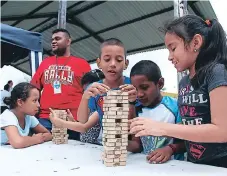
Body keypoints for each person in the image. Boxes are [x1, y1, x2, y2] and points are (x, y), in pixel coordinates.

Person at [130, 15, 227, 168]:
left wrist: (162, 128)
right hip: (194, 164)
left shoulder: (216, 72)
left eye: (173, 48)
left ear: (196, 42)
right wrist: (172, 147)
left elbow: (222, 131)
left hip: (220, 165)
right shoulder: (184, 83)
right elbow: (188, 125)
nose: (169, 57)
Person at [31, 28, 91, 140]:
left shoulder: (82, 64)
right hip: (47, 118)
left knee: (73, 152)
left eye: (58, 38)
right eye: (52, 39)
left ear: (68, 41)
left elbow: (89, 92)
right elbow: (34, 89)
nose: (53, 41)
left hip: (73, 119)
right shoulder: (45, 63)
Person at [127, 60, 185, 163]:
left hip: (173, 167)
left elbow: (187, 142)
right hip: (146, 166)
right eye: (135, 89)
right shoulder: (136, 109)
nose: (139, 94)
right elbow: (137, 146)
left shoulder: (176, 107)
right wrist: (119, 143)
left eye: (144, 87)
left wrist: (170, 149)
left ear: (160, 83)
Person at [49, 69, 105, 144]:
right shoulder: (89, 107)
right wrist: (73, 121)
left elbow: (84, 127)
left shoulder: (100, 108)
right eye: (85, 91)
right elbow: (83, 127)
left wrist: (59, 122)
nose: (88, 94)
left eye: (91, 90)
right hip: (85, 145)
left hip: (94, 147)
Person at [0, 82, 52, 148]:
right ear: (20, 102)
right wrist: (36, 139)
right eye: (34, 100)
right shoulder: (8, 116)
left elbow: (48, 134)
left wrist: (28, 140)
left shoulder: (29, 117)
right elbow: (17, 143)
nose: (38, 105)